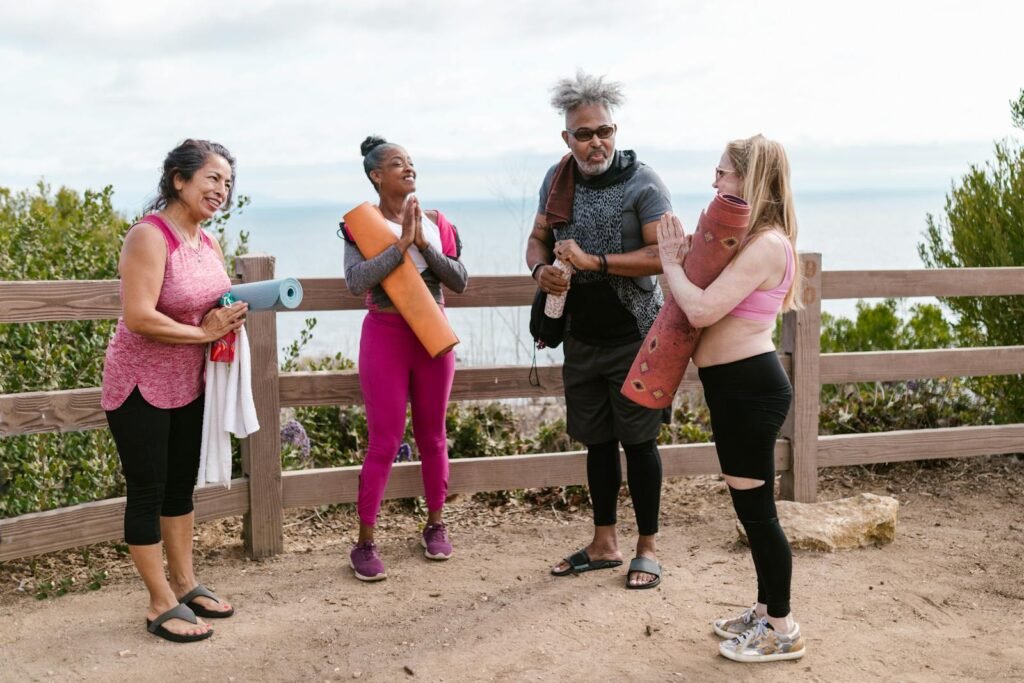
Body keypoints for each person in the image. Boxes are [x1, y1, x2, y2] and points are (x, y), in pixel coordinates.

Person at [656, 134, 805, 662]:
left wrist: (670, 261)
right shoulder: (754, 238)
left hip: (749, 387)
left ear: (751, 177)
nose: (715, 182)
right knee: (750, 508)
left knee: (759, 513)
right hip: (737, 387)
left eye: (723, 173)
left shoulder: (768, 245)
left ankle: (782, 628)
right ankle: (766, 609)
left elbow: (699, 309)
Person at [526, 71, 672, 589]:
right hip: (581, 336)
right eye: (584, 134)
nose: (596, 143)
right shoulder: (556, 178)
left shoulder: (643, 183)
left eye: (604, 131)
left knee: (641, 443)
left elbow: (662, 256)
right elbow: (537, 240)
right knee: (597, 444)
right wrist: (540, 272)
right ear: (566, 138)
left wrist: (595, 261)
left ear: (617, 130)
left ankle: (648, 549)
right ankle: (604, 542)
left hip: (635, 335)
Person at [101, 139, 247, 643]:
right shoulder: (149, 235)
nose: (221, 190)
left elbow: (210, 302)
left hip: (190, 381)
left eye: (227, 183)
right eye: (212, 178)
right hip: (139, 382)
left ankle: (184, 584)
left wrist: (232, 312)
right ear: (178, 179)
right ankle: (158, 600)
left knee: (179, 487)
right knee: (148, 489)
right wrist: (206, 332)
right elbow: (139, 316)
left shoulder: (207, 242)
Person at [340, 136, 468, 582]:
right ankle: (365, 542)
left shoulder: (436, 222)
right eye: (397, 164)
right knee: (385, 441)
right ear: (377, 175)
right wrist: (399, 247)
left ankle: (435, 524)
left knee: (433, 436)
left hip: (431, 336)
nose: (408, 168)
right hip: (386, 335)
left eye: (411, 162)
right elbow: (356, 282)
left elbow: (460, 280)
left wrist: (423, 244)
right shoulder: (362, 224)